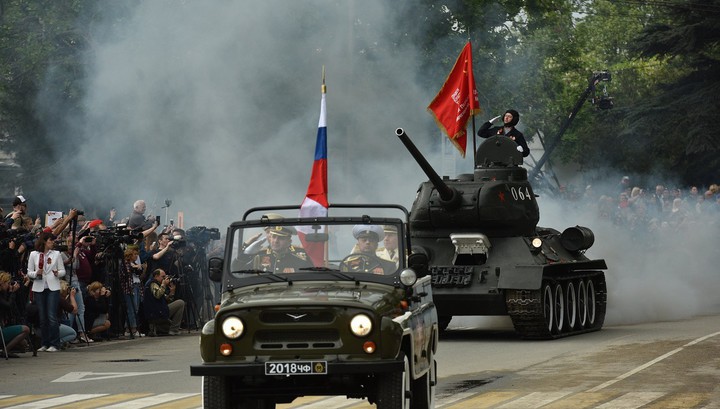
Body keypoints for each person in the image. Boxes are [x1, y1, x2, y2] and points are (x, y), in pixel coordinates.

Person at [26, 231, 66, 352]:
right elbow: (29, 271)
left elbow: (62, 270)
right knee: (42, 317)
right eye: (50, 241)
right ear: (44, 241)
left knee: (51, 316)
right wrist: (35, 273)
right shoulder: (34, 254)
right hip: (39, 286)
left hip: (52, 287)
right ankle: (44, 342)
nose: (52, 243)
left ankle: (55, 343)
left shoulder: (56, 254)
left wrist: (57, 273)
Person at [143, 268, 185, 336]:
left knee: (179, 303)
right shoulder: (152, 283)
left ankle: (170, 328)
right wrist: (164, 284)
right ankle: (173, 330)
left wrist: (172, 292)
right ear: (156, 276)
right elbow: (158, 295)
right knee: (181, 303)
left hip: (158, 311)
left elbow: (166, 299)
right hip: (156, 313)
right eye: (163, 277)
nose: (164, 279)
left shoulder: (155, 283)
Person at [0, 271, 30, 358]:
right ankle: (5, 351)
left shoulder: (4, 293)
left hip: (3, 327)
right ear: (2, 283)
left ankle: (5, 349)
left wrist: (10, 292)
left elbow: (11, 308)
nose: (9, 285)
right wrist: (13, 293)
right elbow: (8, 306)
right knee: (26, 329)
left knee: (23, 343)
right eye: (8, 283)